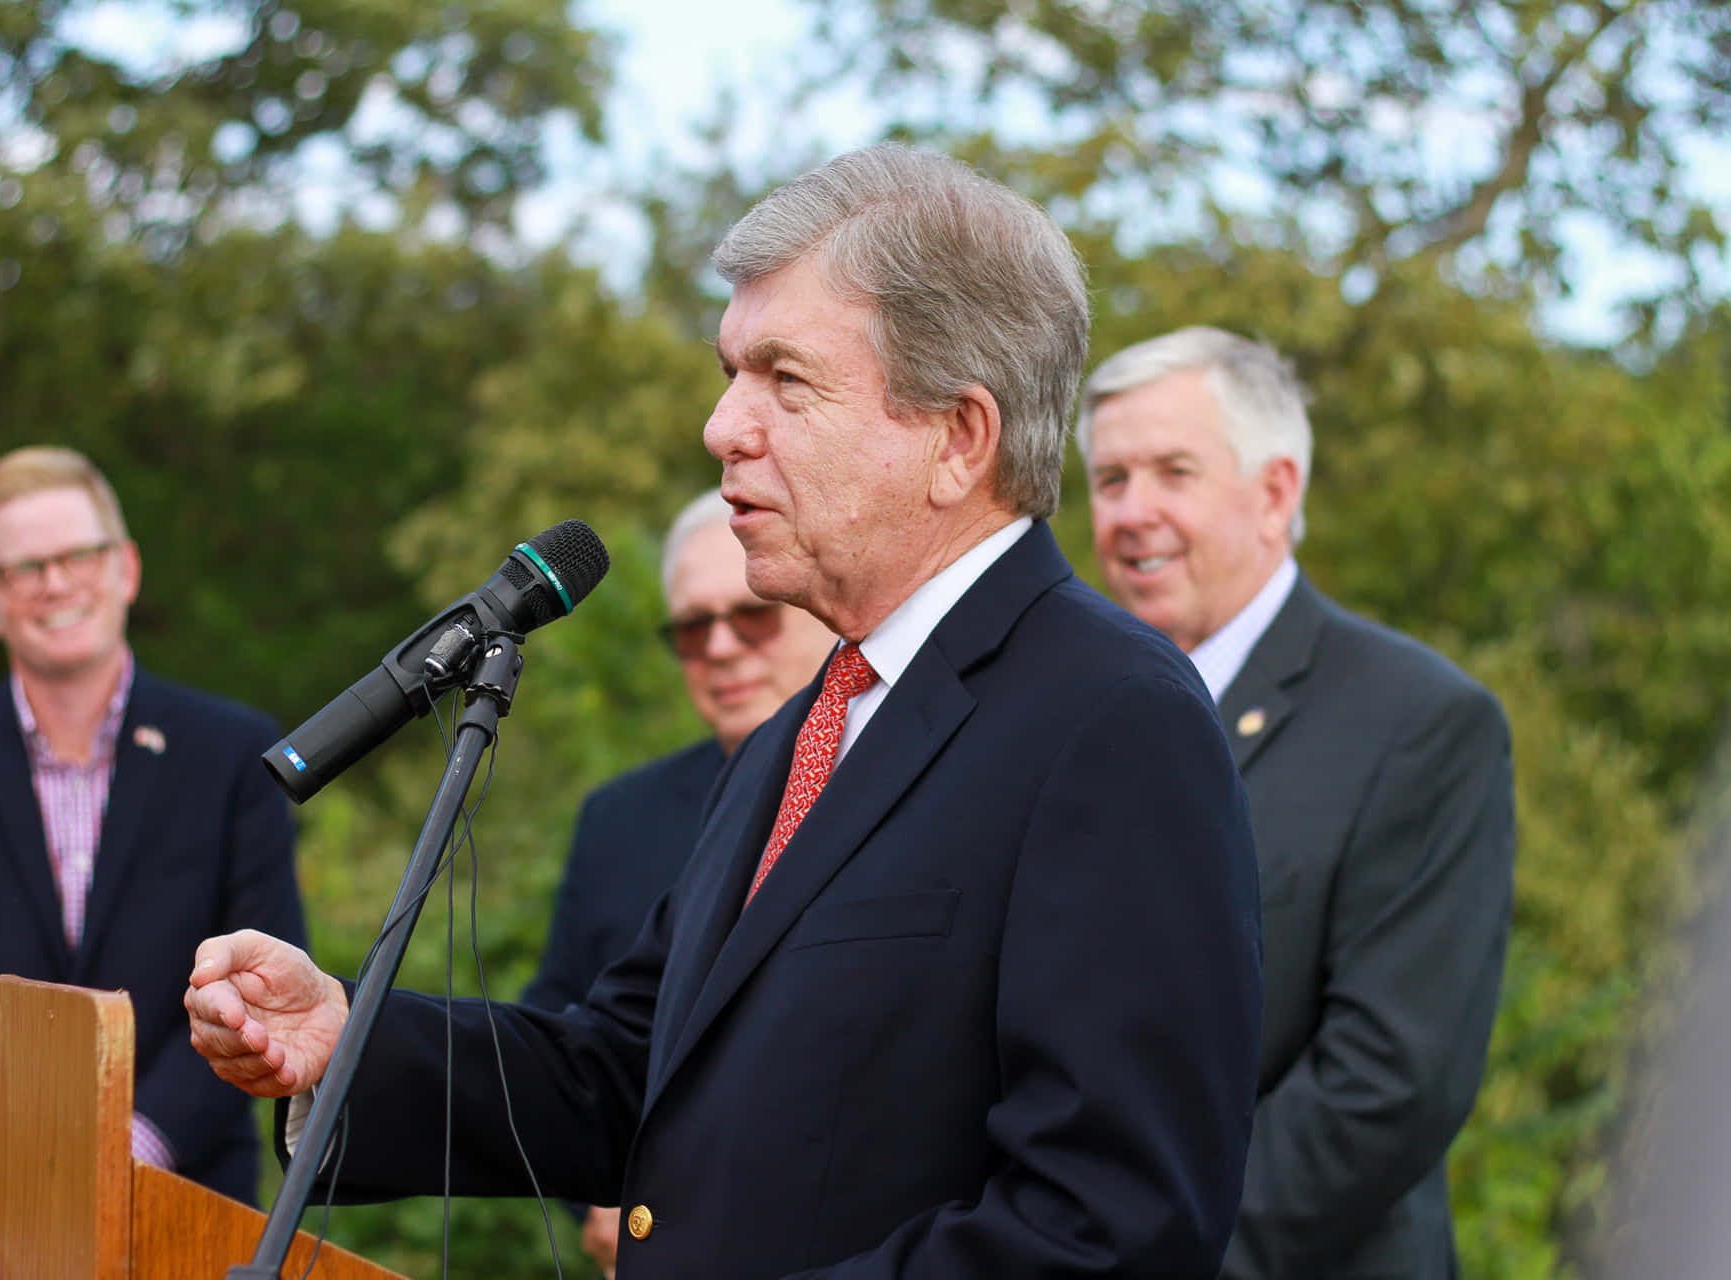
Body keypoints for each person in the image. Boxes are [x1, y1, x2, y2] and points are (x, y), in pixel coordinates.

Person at [187, 145, 1263, 1278]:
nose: (723, 427)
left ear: (957, 437)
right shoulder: (803, 732)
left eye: (785, 380)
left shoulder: (1110, 721)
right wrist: (341, 1037)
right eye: (730, 372)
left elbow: (1109, 1224)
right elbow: (627, 1072)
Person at [1079, 326, 1516, 1278]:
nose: (1132, 511)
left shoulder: (1422, 723)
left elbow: (1391, 1081)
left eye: (1173, 472)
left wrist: (1151, 1258)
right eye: (1111, 480)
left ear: (1275, 493)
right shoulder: (1068, 712)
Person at [0, 445, 307, 1205]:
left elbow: (260, 988)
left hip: (184, 1204)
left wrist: (130, 1152)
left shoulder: (230, 757)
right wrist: (12, 1155)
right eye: (23, 568)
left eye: (78, 555)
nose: (55, 583)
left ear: (125, 567)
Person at [519, 486, 838, 1273]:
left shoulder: (899, 783)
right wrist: (601, 1195)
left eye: (750, 615)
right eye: (693, 629)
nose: (722, 648)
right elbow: (566, 1031)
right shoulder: (618, 818)